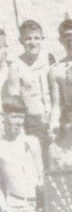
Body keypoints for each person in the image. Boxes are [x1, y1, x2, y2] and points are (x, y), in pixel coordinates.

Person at [5, 19, 53, 149]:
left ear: (42, 39)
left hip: (53, 120)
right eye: (28, 39)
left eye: (37, 38)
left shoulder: (48, 59)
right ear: (21, 40)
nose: (33, 43)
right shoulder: (16, 67)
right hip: (31, 124)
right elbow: (14, 103)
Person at [0, 101, 43, 212]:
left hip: (37, 207)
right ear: (4, 117)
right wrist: (4, 207)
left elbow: (41, 175)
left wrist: (44, 203)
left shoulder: (32, 142)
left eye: (21, 117)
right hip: (14, 207)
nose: (18, 122)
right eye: (14, 117)